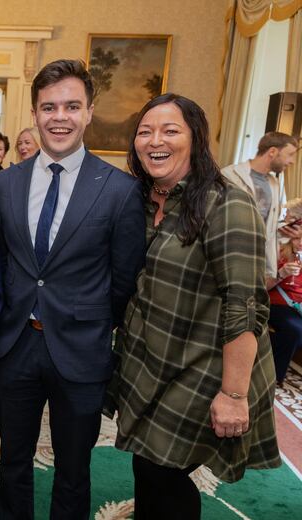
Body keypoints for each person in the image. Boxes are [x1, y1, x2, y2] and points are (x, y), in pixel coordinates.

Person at [107, 93, 281, 519]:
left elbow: (245, 305)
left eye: (170, 130)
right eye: (145, 132)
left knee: (162, 470)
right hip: (155, 359)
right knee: (148, 463)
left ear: (196, 139)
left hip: (207, 367)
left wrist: (234, 394)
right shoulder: (145, 200)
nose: (154, 140)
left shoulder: (227, 204)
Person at [0, 59, 145, 520]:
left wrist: (89, 320)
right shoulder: (5, 184)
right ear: (34, 113)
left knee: (73, 468)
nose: (60, 116)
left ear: (90, 111)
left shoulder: (119, 190)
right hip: (15, 344)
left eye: (72, 106)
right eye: (49, 106)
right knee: (12, 459)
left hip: (81, 349)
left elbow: (123, 279)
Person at [221, 132, 299, 286]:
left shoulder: (274, 184)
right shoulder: (229, 176)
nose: (292, 161)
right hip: (228, 257)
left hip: (257, 263)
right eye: (290, 154)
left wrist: (287, 232)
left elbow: (267, 227)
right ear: (272, 152)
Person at [267, 206, 302, 384]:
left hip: (297, 306)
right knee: (295, 329)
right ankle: (275, 377)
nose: (300, 243)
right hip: (276, 303)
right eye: (297, 239)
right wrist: (281, 273)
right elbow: (262, 286)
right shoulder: (279, 252)